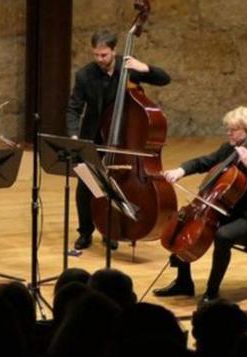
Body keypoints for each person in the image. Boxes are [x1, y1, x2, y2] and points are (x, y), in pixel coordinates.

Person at [154, 106, 247, 302]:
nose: (228, 133)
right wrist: (180, 171)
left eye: (233, 129)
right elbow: (204, 162)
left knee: (223, 235)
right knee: (183, 222)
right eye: (227, 128)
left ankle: (212, 292)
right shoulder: (228, 149)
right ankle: (183, 282)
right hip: (227, 211)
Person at [66, 29, 171, 251]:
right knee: (87, 184)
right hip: (95, 136)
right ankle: (85, 231)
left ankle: (110, 230)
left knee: (118, 184)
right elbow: (73, 108)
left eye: (103, 55)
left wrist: (146, 69)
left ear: (114, 50)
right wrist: (75, 136)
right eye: (96, 54)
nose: (99, 59)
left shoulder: (129, 68)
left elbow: (164, 79)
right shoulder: (85, 75)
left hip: (124, 139)